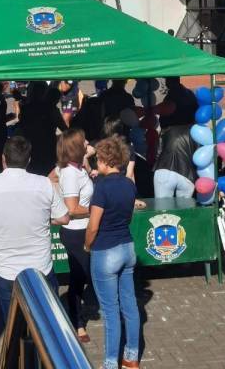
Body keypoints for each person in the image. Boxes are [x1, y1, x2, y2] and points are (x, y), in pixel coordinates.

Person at [0, 136, 70, 321]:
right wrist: (45, 219)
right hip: (41, 268)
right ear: (29, 160)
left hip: (6, 272)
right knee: (48, 323)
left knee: (13, 325)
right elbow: (64, 217)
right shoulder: (44, 184)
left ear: (3, 158)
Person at [85, 136, 140, 369]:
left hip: (106, 250)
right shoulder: (129, 185)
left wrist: (87, 245)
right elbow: (128, 217)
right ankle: (131, 358)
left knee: (110, 312)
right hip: (127, 247)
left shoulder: (102, 187)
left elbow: (93, 225)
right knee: (130, 305)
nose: (96, 162)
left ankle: (110, 364)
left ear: (106, 160)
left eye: (98, 158)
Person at [55, 129, 94, 342]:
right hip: (75, 232)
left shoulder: (76, 168)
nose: (87, 143)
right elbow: (71, 209)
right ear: (74, 147)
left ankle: (77, 318)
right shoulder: (70, 173)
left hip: (84, 229)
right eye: (83, 141)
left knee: (82, 276)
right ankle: (77, 322)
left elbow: (51, 177)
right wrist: (97, 210)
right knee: (81, 276)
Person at [16, 83, 67, 175]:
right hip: (46, 147)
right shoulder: (50, 109)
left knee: (33, 172)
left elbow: (21, 128)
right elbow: (63, 128)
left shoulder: (26, 108)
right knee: (46, 173)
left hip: (32, 146)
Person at [153, 124, 196, 199]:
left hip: (164, 169)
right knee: (185, 206)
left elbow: (158, 152)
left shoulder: (166, 131)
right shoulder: (196, 132)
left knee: (162, 206)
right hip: (188, 174)